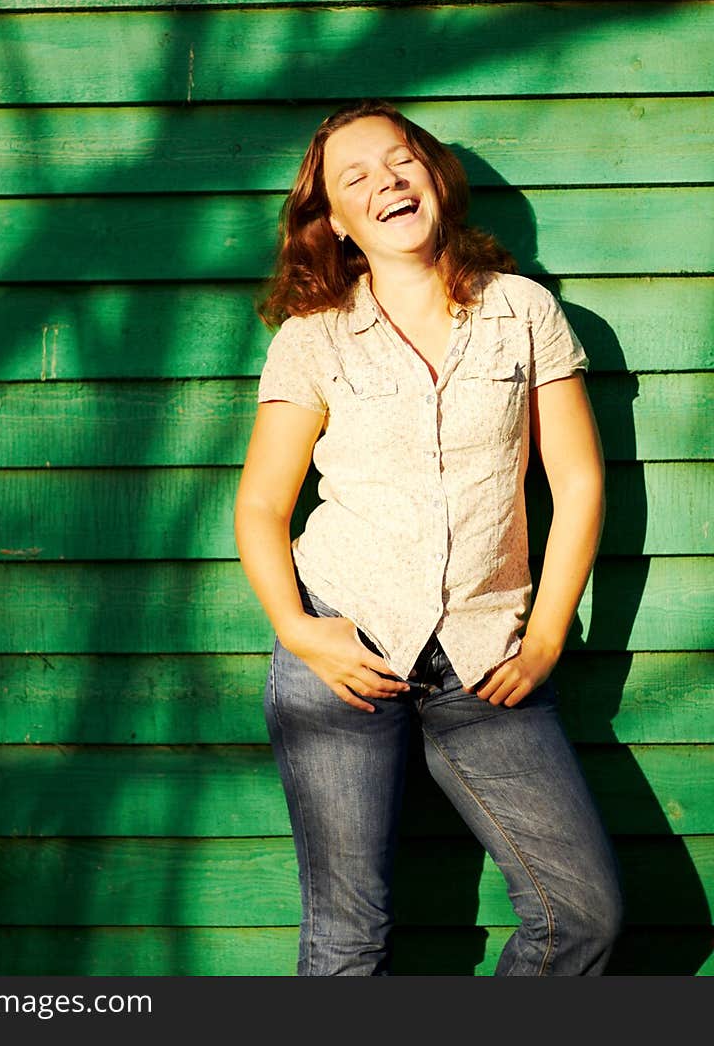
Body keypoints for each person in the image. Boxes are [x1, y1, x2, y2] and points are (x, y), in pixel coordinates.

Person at [233, 98, 623, 976]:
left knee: (582, 913)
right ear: (333, 221)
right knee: (347, 939)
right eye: (355, 177)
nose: (386, 183)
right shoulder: (313, 338)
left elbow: (578, 478)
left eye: (400, 160)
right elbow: (261, 507)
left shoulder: (523, 311)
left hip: (487, 658)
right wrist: (301, 631)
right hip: (343, 654)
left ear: (436, 177)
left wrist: (549, 635)